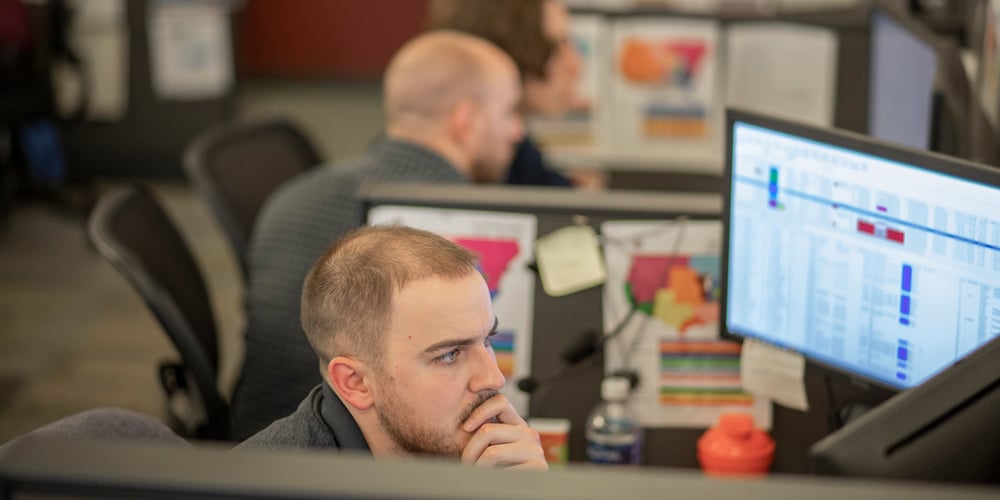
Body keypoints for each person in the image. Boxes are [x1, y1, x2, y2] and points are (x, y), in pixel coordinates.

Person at [231, 30, 525, 440]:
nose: (517, 131)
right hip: (381, 441)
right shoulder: (462, 230)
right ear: (466, 120)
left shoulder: (296, 192)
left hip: (260, 432)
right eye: (510, 111)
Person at [234, 225, 547, 470]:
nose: (493, 378)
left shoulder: (440, 452)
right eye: (449, 355)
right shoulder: (269, 484)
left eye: (487, 340)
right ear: (355, 383)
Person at [428, 0, 607, 189]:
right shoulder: (457, 166)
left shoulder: (519, 154)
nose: (575, 65)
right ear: (504, 52)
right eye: (555, 47)